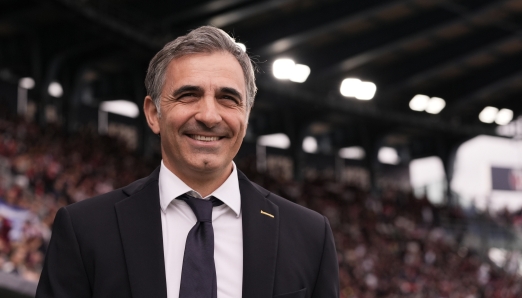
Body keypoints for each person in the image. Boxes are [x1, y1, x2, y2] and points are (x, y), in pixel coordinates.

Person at [36, 26, 339, 298]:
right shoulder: (84, 229)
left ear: (246, 114)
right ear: (154, 114)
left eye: (228, 98)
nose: (208, 116)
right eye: (188, 95)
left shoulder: (310, 236)